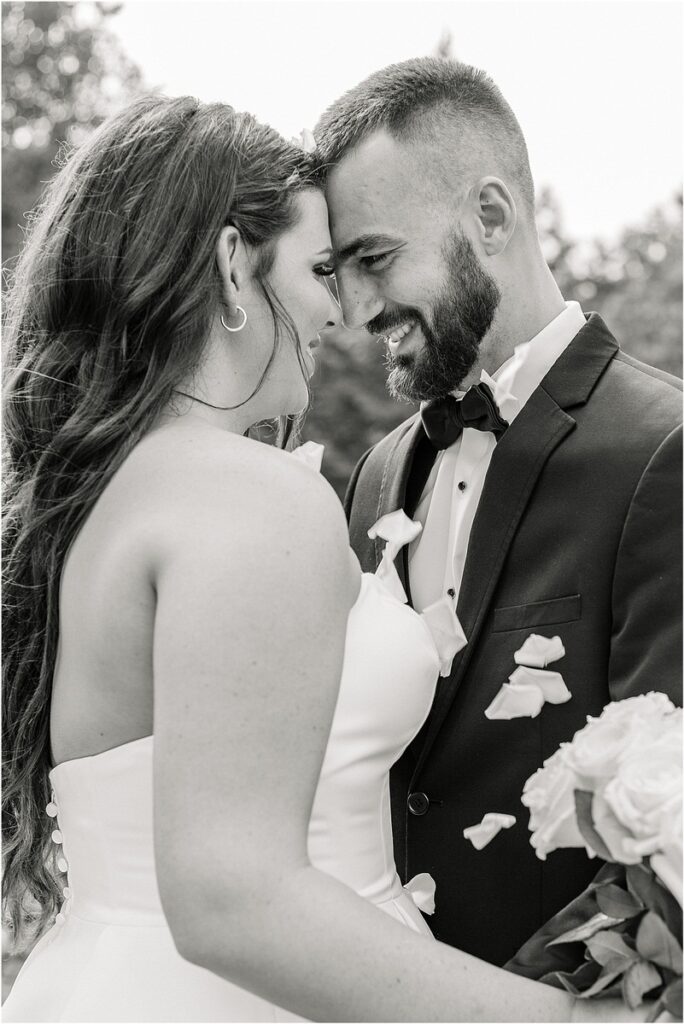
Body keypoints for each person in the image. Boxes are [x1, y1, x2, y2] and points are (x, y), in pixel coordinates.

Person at [1, 93, 643, 1024]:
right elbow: (235, 898)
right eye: (318, 268)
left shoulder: (102, 490)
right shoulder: (256, 496)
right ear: (232, 264)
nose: (339, 310)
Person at [315, 56, 683, 969]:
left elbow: (672, 825)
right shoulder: (377, 474)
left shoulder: (665, 449)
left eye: (375, 259)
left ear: (490, 215)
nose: (357, 308)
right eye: (338, 270)